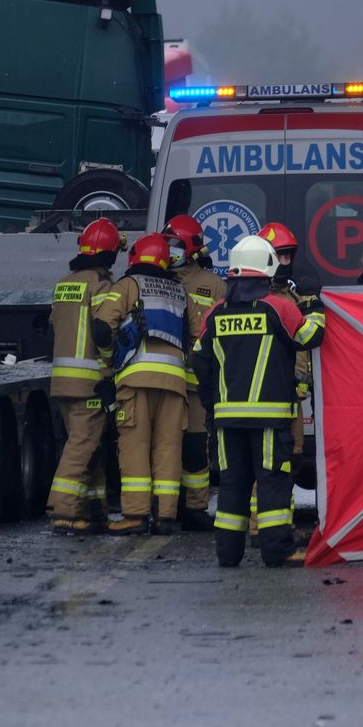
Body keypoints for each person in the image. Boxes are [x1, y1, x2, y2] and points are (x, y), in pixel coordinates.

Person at [193, 236, 326, 568]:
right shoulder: (279, 308)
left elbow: (200, 363)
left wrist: (212, 407)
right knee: (272, 484)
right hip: (270, 419)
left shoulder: (214, 315)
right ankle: (277, 550)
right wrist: (314, 307)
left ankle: (228, 554)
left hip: (225, 420)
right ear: (267, 268)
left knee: (233, 485)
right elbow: (312, 336)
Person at [92, 233, 189, 535]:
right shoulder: (179, 291)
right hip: (175, 382)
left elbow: (100, 328)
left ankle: (135, 514)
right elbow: (197, 334)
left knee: (135, 445)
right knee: (169, 448)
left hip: (136, 379)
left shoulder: (127, 286)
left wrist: (109, 363)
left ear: (135, 256)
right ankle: (165, 516)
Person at [45, 218, 124, 535]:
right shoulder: (101, 285)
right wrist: (108, 369)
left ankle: (93, 511)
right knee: (81, 446)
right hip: (89, 380)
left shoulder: (64, 283)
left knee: (90, 446)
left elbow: (55, 324)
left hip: (62, 380)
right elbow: (103, 330)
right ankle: (63, 511)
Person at [163, 214, 226, 532]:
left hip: (199, 383)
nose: (170, 250)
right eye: (167, 244)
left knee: (196, 447)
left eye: (175, 244)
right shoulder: (156, 280)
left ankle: (196, 506)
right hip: (167, 381)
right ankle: (165, 508)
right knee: (165, 445)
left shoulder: (213, 284)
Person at [259, 222, 316, 459]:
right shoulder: (255, 300)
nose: (286, 263)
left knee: (292, 459)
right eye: (280, 256)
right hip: (263, 399)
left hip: (292, 399)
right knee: (264, 460)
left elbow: (304, 346)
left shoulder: (294, 297)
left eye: (288, 256)